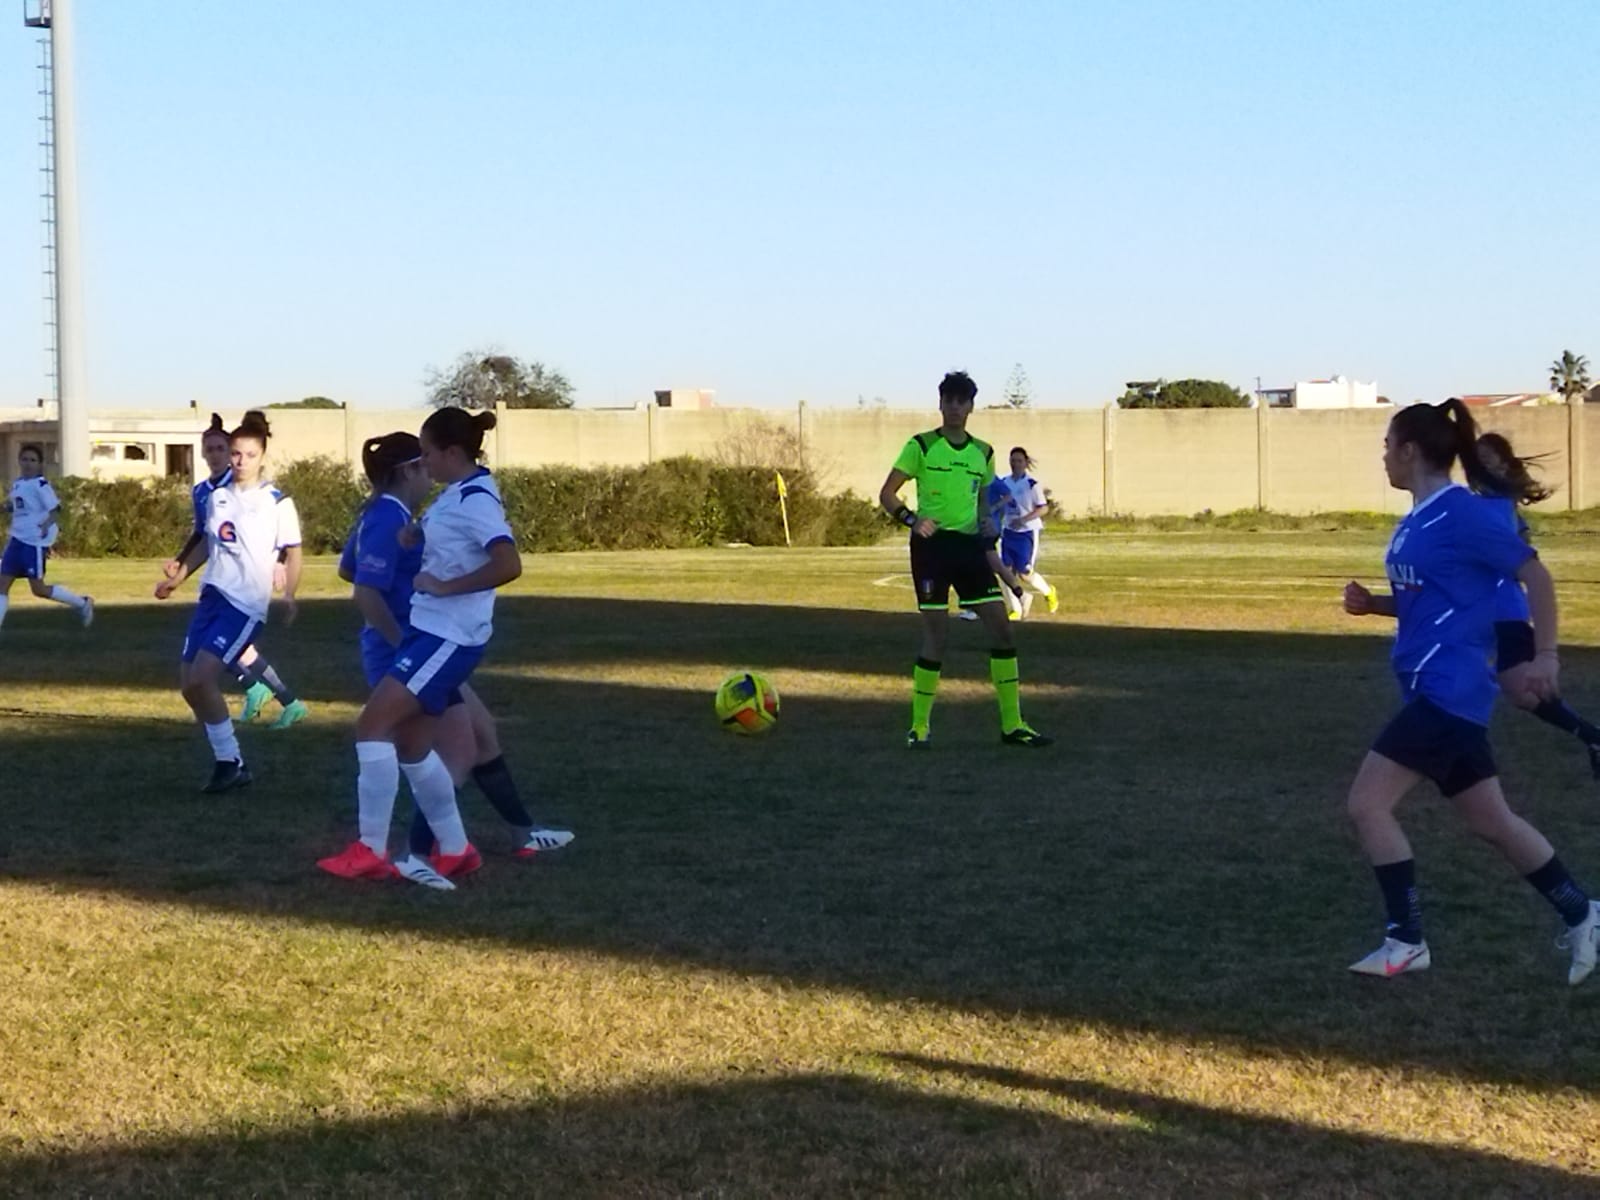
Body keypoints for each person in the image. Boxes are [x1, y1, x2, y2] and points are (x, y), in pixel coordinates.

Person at [1341, 398, 1599, 985]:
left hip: (1448, 692)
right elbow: (1430, 599)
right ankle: (1584, 914)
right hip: (1433, 692)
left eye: (1387, 443)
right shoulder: (1417, 519)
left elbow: (1534, 574)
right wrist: (1375, 604)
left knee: (1367, 804)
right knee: (1494, 822)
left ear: (1409, 450)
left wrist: (1548, 656)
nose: (1382, 454)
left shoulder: (1462, 514)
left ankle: (1405, 940)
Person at [338, 430, 573, 864]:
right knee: (456, 750)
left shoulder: (387, 513)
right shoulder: (389, 516)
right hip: (415, 649)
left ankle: (524, 833)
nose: (431, 472)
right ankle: (420, 851)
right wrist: (403, 639)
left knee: (482, 735)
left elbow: (348, 569)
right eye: (423, 462)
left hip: (426, 646)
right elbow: (365, 590)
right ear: (409, 470)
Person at [317, 407, 521, 887]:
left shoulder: (475, 500)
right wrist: (416, 535)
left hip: (444, 640)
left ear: (452, 452)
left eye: (428, 452)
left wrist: (449, 589)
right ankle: (456, 849)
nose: (423, 463)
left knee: (371, 727)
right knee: (410, 746)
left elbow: (508, 563)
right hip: (430, 637)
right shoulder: (454, 497)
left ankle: (370, 849)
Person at [878, 371, 1051, 749]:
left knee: (1002, 629)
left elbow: (983, 502)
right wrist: (911, 519)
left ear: (971, 406)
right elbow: (888, 493)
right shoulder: (920, 446)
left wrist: (988, 521)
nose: (955, 407)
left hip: (969, 549)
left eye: (962, 401)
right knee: (937, 635)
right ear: (940, 404)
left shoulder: (984, 453)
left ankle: (1013, 725)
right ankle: (919, 728)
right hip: (932, 549)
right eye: (949, 400)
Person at [154, 411, 302, 794]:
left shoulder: (277, 502)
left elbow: (293, 551)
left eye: (248, 455)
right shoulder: (216, 496)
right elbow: (207, 542)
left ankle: (231, 761)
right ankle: (230, 763)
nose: (239, 461)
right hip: (212, 597)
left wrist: (288, 593)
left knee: (203, 678)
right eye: (235, 454)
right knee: (189, 686)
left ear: (262, 457)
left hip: (245, 604)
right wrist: (178, 576)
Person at [1472, 431, 1600, 779]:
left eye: (1490, 456)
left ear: (1503, 463)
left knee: (1519, 688)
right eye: (1477, 456)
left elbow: (1521, 558)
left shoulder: (1493, 506)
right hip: (1490, 610)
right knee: (1512, 688)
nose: (1482, 462)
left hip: (1503, 612)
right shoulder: (1495, 505)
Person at [0, 443, 93, 630]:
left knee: (38, 589)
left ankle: (82, 603)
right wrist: (4, 508)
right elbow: (18, 506)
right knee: (2, 584)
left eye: (32, 460)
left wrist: (45, 525)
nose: (28, 464)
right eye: (25, 459)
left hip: (33, 542)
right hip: (16, 539)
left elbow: (55, 509)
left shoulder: (41, 485)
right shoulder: (18, 483)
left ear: (40, 464)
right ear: (19, 461)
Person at [993, 447, 1059, 621]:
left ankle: (1048, 592)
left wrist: (1024, 520)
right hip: (1008, 532)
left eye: (1019, 461)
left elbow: (1043, 508)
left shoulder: (1031, 485)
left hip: (1027, 533)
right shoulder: (1004, 482)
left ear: (1025, 463)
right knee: (1005, 571)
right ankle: (1016, 609)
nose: (1015, 464)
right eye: (1013, 460)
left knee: (1024, 573)